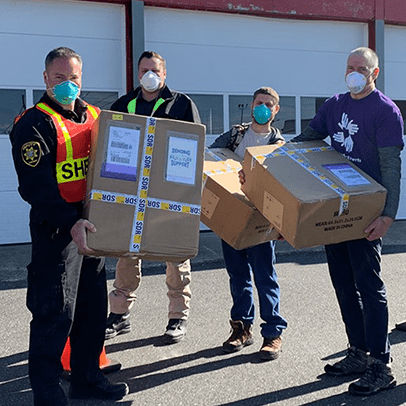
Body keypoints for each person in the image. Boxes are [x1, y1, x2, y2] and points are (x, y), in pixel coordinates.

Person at [9, 47, 128, 405]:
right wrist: (70, 222)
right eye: (59, 79)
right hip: (56, 230)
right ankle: (47, 393)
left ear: (82, 78)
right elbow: (35, 187)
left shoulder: (95, 116)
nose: (67, 85)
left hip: (93, 226)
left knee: (92, 312)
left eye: (73, 78)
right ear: (45, 79)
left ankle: (87, 379)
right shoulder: (32, 123)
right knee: (54, 313)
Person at [289, 47, 403, 395]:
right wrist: (268, 160)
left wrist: (387, 215)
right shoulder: (334, 105)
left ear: (375, 72)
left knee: (369, 288)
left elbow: (391, 168)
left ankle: (380, 365)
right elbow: (306, 139)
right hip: (336, 211)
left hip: (367, 213)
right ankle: (357, 351)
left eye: (361, 68)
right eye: (349, 68)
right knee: (343, 284)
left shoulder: (386, 112)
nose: (354, 73)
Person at [105, 50, 201, 344]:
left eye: (155, 70)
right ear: (138, 73)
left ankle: (177, 317)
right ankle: (120, 314)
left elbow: (195, 148)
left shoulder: (182, 104)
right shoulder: (124, 104)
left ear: (164, 73)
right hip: (131, 192)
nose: (150, 75)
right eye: (145, 69)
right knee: (127, 252)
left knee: (175, 255)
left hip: (172, 194)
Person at [210, 87, 287, 360]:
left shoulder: (278, 145)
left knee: (265, 277)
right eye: (258, 103)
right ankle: (241, 329)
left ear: (275, 110)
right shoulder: (235, 135)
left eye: (268, 104)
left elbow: (285, 189)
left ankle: (273, 333)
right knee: (238, 276)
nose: (262, 107)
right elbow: (211, 158)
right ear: (252, 105)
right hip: (231, 216)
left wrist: (282, 225)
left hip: (261, 220)